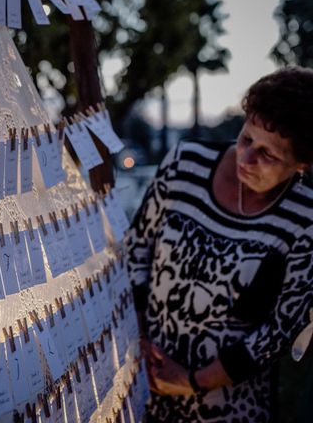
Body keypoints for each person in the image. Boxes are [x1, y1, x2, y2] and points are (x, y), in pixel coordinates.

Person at [125, 66, 313, 422]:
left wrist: (192, 381)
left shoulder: (305, 217)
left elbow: (278, 330)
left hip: (228, 405)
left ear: (301, 163)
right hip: (143, 378)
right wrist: (139, 338)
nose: (246, 158)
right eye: (246, 139)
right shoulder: (186, 164)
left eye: (268, 154)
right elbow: (137, 249)